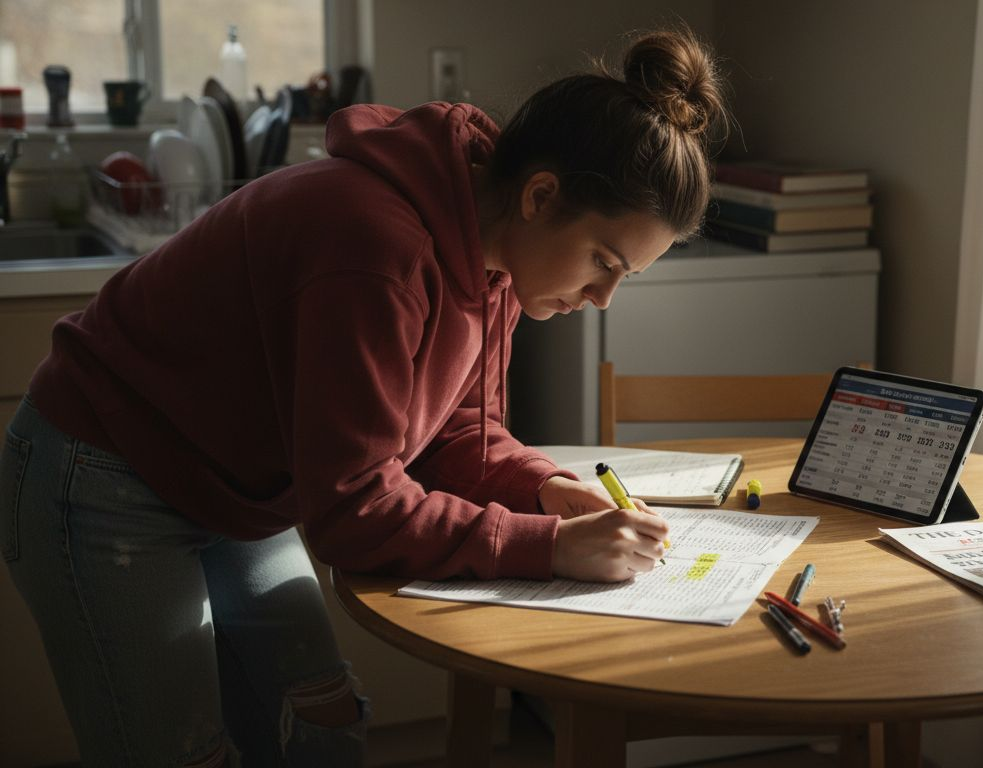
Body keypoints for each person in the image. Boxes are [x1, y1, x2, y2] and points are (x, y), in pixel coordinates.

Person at [0, 26, 728, 767]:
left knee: (321, 718)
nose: (603, 297)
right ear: (541, 196)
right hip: (105, 472)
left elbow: (457, 430)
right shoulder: (374, 249)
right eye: (604, 262)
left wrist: (544, 490)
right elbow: (353, 511)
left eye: (625, 276)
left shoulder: (499, 259)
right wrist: (548, 547)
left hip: (236, 490)